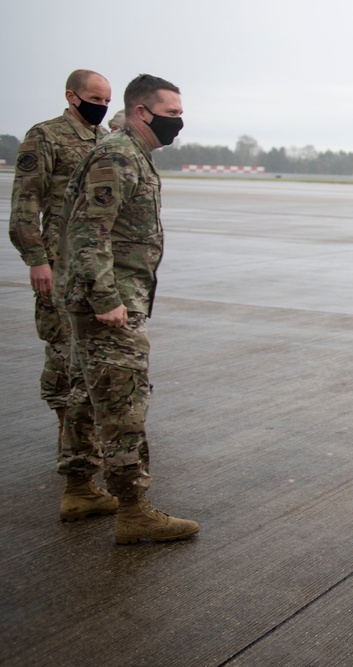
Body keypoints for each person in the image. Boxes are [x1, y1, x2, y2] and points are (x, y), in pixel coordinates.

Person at [59, 73, 198, 544]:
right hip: (110, 303)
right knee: (123, 403)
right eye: (172, 113)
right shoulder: (118, 155)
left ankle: (79, 490)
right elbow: (87, 231)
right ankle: (134, 510)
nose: (178, 123)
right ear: (142, 111)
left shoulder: (130, 153)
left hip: (105, 297)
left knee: (87, 393)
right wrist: (108, 300)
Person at [8, 69, 113, 521]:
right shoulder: (45, 137)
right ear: (72, 96)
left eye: (106, 99)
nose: (101, 106)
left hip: (95, 268)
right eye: (94, 97)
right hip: (59, 263)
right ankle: (73, 458)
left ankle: (83, 446)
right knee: (63, 356)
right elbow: (23, 204)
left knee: (91, 356)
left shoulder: (104, 138)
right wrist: (36, 259)